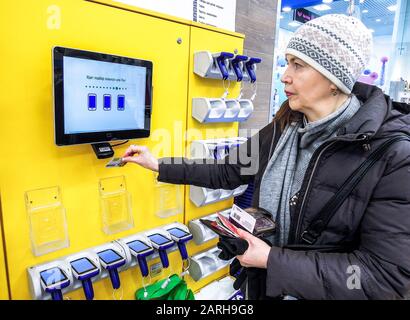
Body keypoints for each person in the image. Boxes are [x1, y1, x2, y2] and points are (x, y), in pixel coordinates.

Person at [122, 14, 410, 299]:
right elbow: (228, 171)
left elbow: (381, 279)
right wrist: (158, 164)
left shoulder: (391, 155)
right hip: (264, 287)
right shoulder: (284, 126)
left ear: (334, 78)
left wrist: (272, 260)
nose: (285, 75)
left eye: (298, 65)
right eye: (287, 63)